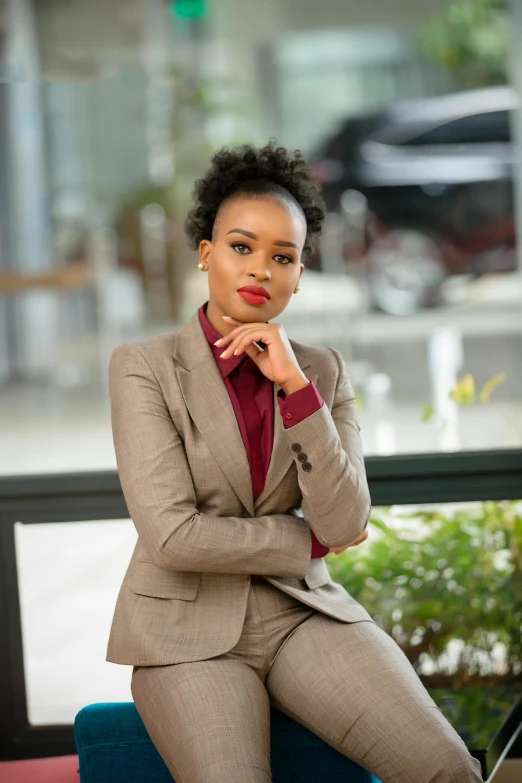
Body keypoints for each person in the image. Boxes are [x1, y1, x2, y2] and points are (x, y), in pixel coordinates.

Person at [106, 140, 483, 783]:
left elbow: (345, 519)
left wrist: (295, 389)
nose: (260, 271)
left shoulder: (321, 371)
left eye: (282, 257)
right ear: (206, 253)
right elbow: (172, 535)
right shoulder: (143, 367)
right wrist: (302, 539)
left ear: (300, 273)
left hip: (302, 616)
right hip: (186, 631)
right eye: (241, 247)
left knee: (448, 770)